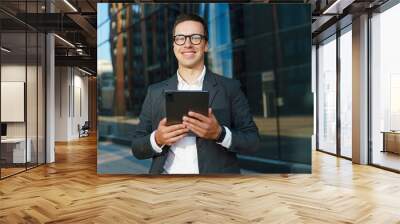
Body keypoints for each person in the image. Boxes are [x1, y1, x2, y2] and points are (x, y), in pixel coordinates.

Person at [131, 13, 259, 174]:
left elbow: (253, 141)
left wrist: (220, 133)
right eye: (180, 38)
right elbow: (137, 148)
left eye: (195, 37)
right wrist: (157, 138)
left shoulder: (230, 88)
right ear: (174, 45)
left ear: (205, 45)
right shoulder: (155, 92)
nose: (188, 44)